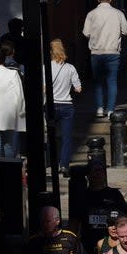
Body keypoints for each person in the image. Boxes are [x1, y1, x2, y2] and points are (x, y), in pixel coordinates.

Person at [83, 0, 127, 117]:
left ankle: (99, 108)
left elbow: (86, 33)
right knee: (112, 81)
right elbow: (126, 31)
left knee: (98, 82)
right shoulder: (118, 13)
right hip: (113, 52)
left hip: (96, 52)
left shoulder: (91, 14)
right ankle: (110, 110)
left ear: (98, 0)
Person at [49, 39, 83, 174]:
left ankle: (51, 162)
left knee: (50, 136)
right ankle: (64, 164)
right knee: (66, 138)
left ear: (51, 52)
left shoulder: (46, 67)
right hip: (67, 106)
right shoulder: (70, 68)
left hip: (51, 106)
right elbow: (78, 89)